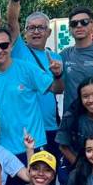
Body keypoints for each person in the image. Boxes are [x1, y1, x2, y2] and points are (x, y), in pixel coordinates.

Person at [0, 27, 61, 163]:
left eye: (4, 45)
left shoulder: (27, 69)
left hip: (33, 145)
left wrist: (58, 75)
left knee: (37, 184)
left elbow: (57, 89)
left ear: (11, 46)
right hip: (0, 151)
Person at [14, 11, 63, 158]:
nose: (36, 32)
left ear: (48, 32)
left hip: (51, 127)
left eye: (41, 28)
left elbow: (59, 89)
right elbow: (12, 21)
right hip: (27, 130)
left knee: (49, 175)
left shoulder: (56, 57)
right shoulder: (19, 50)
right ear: (25, 32)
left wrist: (58, 74)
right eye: (31, 28)